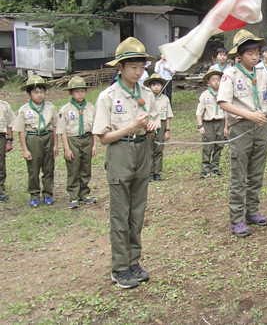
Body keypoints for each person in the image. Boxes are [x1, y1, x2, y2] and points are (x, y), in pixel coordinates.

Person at [93, 37, 160, 289]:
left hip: (142, 150)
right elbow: (103, 138)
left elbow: (153, 123)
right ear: (119, 67)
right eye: (133, 66)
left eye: (142, 66)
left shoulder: (145, 93)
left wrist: (152, 127)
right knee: (120, 213)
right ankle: (119, 267)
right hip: (120, 152)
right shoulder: (108, 96)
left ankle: (134, 261)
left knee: (137, 211)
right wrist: (131, 127)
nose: (138, 71)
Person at [217, 30, 267, 237]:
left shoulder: (262, 72)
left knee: (256, 172)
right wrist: (249, 115)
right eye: (250, 53)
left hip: (260, 128)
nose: (255, 57)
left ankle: (252, 212)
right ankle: (236, 219)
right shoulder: (231, 74)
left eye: (257, 52)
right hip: (242, 128)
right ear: (239, 55)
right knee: (239, 175)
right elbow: (224, 102)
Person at [13, 76, 59, 207]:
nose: (39, 95)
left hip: (48, 136)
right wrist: (24, 149)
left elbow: (55, 126)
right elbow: (21, 130)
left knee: (48, 167)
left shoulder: (50, 107)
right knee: (33, 167)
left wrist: (55, 144)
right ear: (29, 93)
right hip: (33, 138)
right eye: (36, 92)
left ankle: (48, 193)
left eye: (42, 92)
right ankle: (34, 194)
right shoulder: (24, 109)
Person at [57, 76, 98, 209]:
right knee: (73, 167)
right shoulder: (65, 110)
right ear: (70, 93)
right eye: (76, 91)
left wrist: (94, 145)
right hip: (73, 140)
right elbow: (62, 131)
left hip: (87, 138)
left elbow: (95, 128)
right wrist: (66, 148)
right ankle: (73, 195)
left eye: (82, 91)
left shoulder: (90, 108)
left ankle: (84, 194)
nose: (80, 94)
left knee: (86, 167)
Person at [196, 69, 227, 179]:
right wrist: (200, 126)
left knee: (219, 145)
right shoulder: (205, 95)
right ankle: (205, 168)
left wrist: (226, 127)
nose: (216, 82)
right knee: (207, 145)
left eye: (218, 80)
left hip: (220, 122)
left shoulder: (224, 94)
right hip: (208, 123)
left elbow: (227, 112)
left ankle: (215, 167)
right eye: (213, 80)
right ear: (208, 81)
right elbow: (199, 112)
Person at [144, 73, 173, 181]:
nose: (156, 87)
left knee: (159, 149)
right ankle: (150, 172)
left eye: (158, 85)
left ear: (162, 86)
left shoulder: (165, 99)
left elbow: (168, 116)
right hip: (150, 125)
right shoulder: (146, 99)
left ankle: (158, 172)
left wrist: (167, 131)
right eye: (154, 84)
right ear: (150, 86)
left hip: (162, 125)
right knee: (149, 150)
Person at [0, 79, 16, 203]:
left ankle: (0, 191)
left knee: (1, 165)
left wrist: (9, 140)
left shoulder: (4, 106)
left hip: (1, 137)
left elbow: (10, 124)